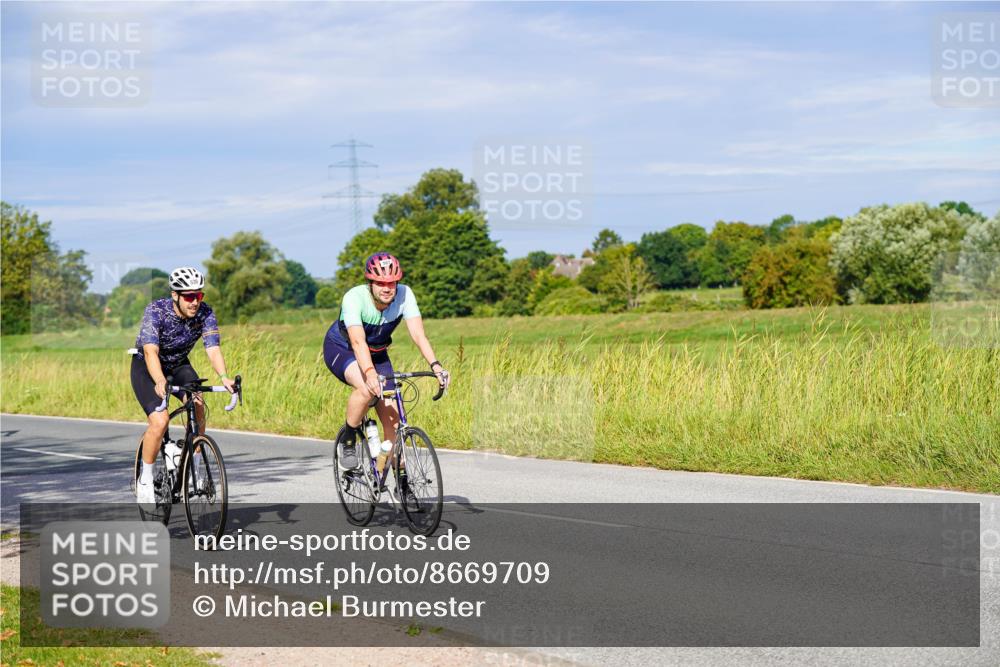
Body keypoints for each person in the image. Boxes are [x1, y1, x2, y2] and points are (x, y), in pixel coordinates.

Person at [323, 253, 449, 498]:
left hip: (378, 353)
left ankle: (401, 483)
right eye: (381, 283)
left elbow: (418, 335)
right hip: (344, 348)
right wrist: (369, 374)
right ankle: (348, 440)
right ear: (370, 282)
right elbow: (358, 342)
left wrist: (435, 365)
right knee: (366, 389)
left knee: (393, 423)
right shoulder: (354, 298)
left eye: (392, 283)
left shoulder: (405, 295)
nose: (387, 288)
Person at [131, 267, 235, 504]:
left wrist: (224, 377)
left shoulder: (205, 313)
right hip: (147, 366)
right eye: (189, 296)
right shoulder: (156, 311)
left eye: (199, 296)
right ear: (175, 296)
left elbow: (212, 348)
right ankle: (145, 479)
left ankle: (194, 469)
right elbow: (150, 351)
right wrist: (159, 380)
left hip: (178, 364)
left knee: (198, 403)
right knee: (160, 420)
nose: (195, 302)